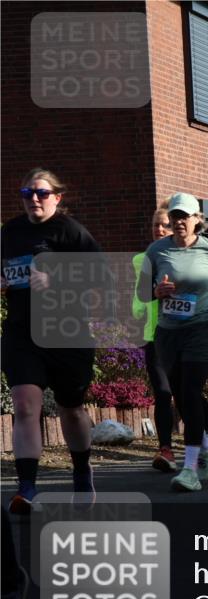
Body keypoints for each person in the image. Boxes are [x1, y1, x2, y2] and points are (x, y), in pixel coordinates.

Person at [2, 168, 101, 512]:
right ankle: (26, 487)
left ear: (57, 197)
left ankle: (80, 471)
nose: (34, 199)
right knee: (25, 404)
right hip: (22, 333)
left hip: (67, 332)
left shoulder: (71, 233)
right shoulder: (11, 232)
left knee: (71, 409)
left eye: (42, 193)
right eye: (27, 193)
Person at [140, 193, 208, 491]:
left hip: (201, 328)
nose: (179, 221)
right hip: (168, 332)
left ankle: (190, 469)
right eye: (175, 216)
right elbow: (142, 292)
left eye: (186, 216)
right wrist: (156, 292)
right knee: (180, 394)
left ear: (197, 219)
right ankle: (206, 443)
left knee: (191, 390)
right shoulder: (155, 251)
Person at [133, 206, 208, 473]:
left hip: (191, 332)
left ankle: (203, 437)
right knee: (163, 392)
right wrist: (152, 296)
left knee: (187, 392)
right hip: (156, 333)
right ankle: (166, 450)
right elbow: (139, 297)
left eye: (164, 226)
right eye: (156, 225)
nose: (160, 230)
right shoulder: (145, 257)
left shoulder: (197, 255)